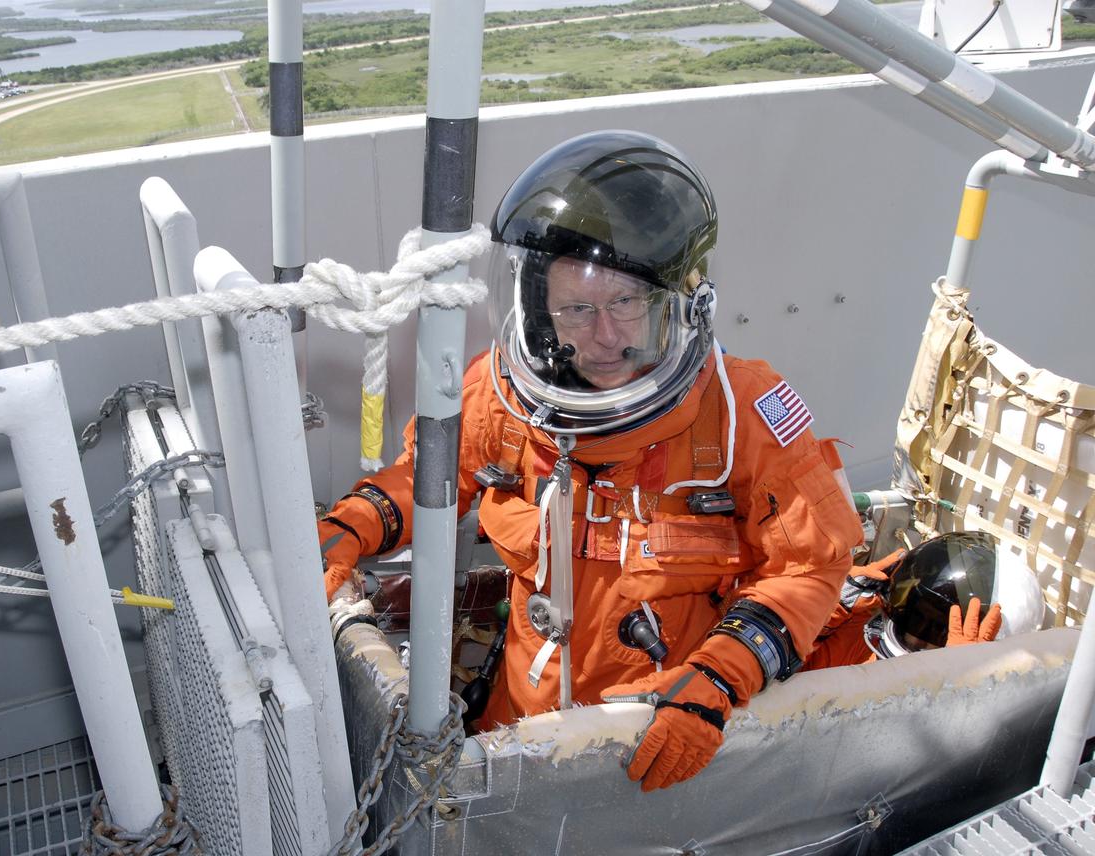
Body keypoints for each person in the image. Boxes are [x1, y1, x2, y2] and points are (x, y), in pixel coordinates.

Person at [318, 130, 864, 792]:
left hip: (658, 737)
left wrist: (722, 677)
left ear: (679, 301)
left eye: (625, 304)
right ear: (541, 312)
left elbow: (813, 564)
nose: (604, 337)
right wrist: (348, 529)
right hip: (515, 727)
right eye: (577, 309)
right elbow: (423, 481)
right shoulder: (500, 395)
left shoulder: (742, 409)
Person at [804, 530, 1047, 669]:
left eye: (937, 630)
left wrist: (962, 682)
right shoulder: (856, 631)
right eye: (919, 614)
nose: (917, 634)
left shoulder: (993, 713)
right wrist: (821, 612)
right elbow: (785, 680)